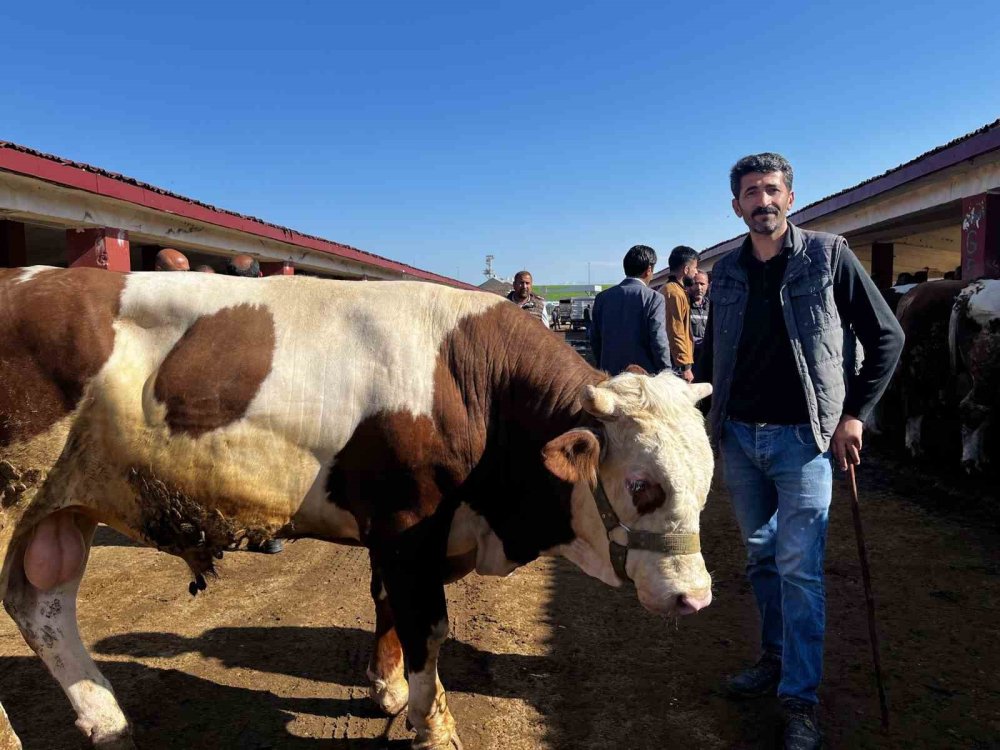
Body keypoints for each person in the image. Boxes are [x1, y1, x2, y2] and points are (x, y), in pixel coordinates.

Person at [696, 153, 903, 750]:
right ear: (735, 205)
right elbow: (713, 354)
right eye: (751, 192)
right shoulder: (727, 272)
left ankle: (799, 699)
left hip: (806, 440)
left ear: (790, 197)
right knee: (761, 559)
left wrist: (855, 415)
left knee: (799, 568)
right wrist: (697, 411)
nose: (762, 200)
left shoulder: (830, 256)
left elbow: (886, 335)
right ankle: (773, 658)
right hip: (739, 437)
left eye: (772, 190)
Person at [589, 245, 671, 375]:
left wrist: (602, 364)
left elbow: (594, 339)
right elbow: (658, 340)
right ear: (649, 269)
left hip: (609, 375)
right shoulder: (654, 298)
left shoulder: (602, 298)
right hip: (643, 379)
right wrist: (666, 372)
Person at [662, 246, 699, 382]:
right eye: (695, 268)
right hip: (676, 364)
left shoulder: (676, 291)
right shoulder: (674, 294)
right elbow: (676, 331)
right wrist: (685, 367)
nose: (696, 273)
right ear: (686, 269)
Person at [688, 270, 710, 360]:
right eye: (695, 283)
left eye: (702, 284)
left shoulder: (711, 306)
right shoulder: (684, 306)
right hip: (690, 359)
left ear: (707, 285)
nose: (699, 287)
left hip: (707, 358)